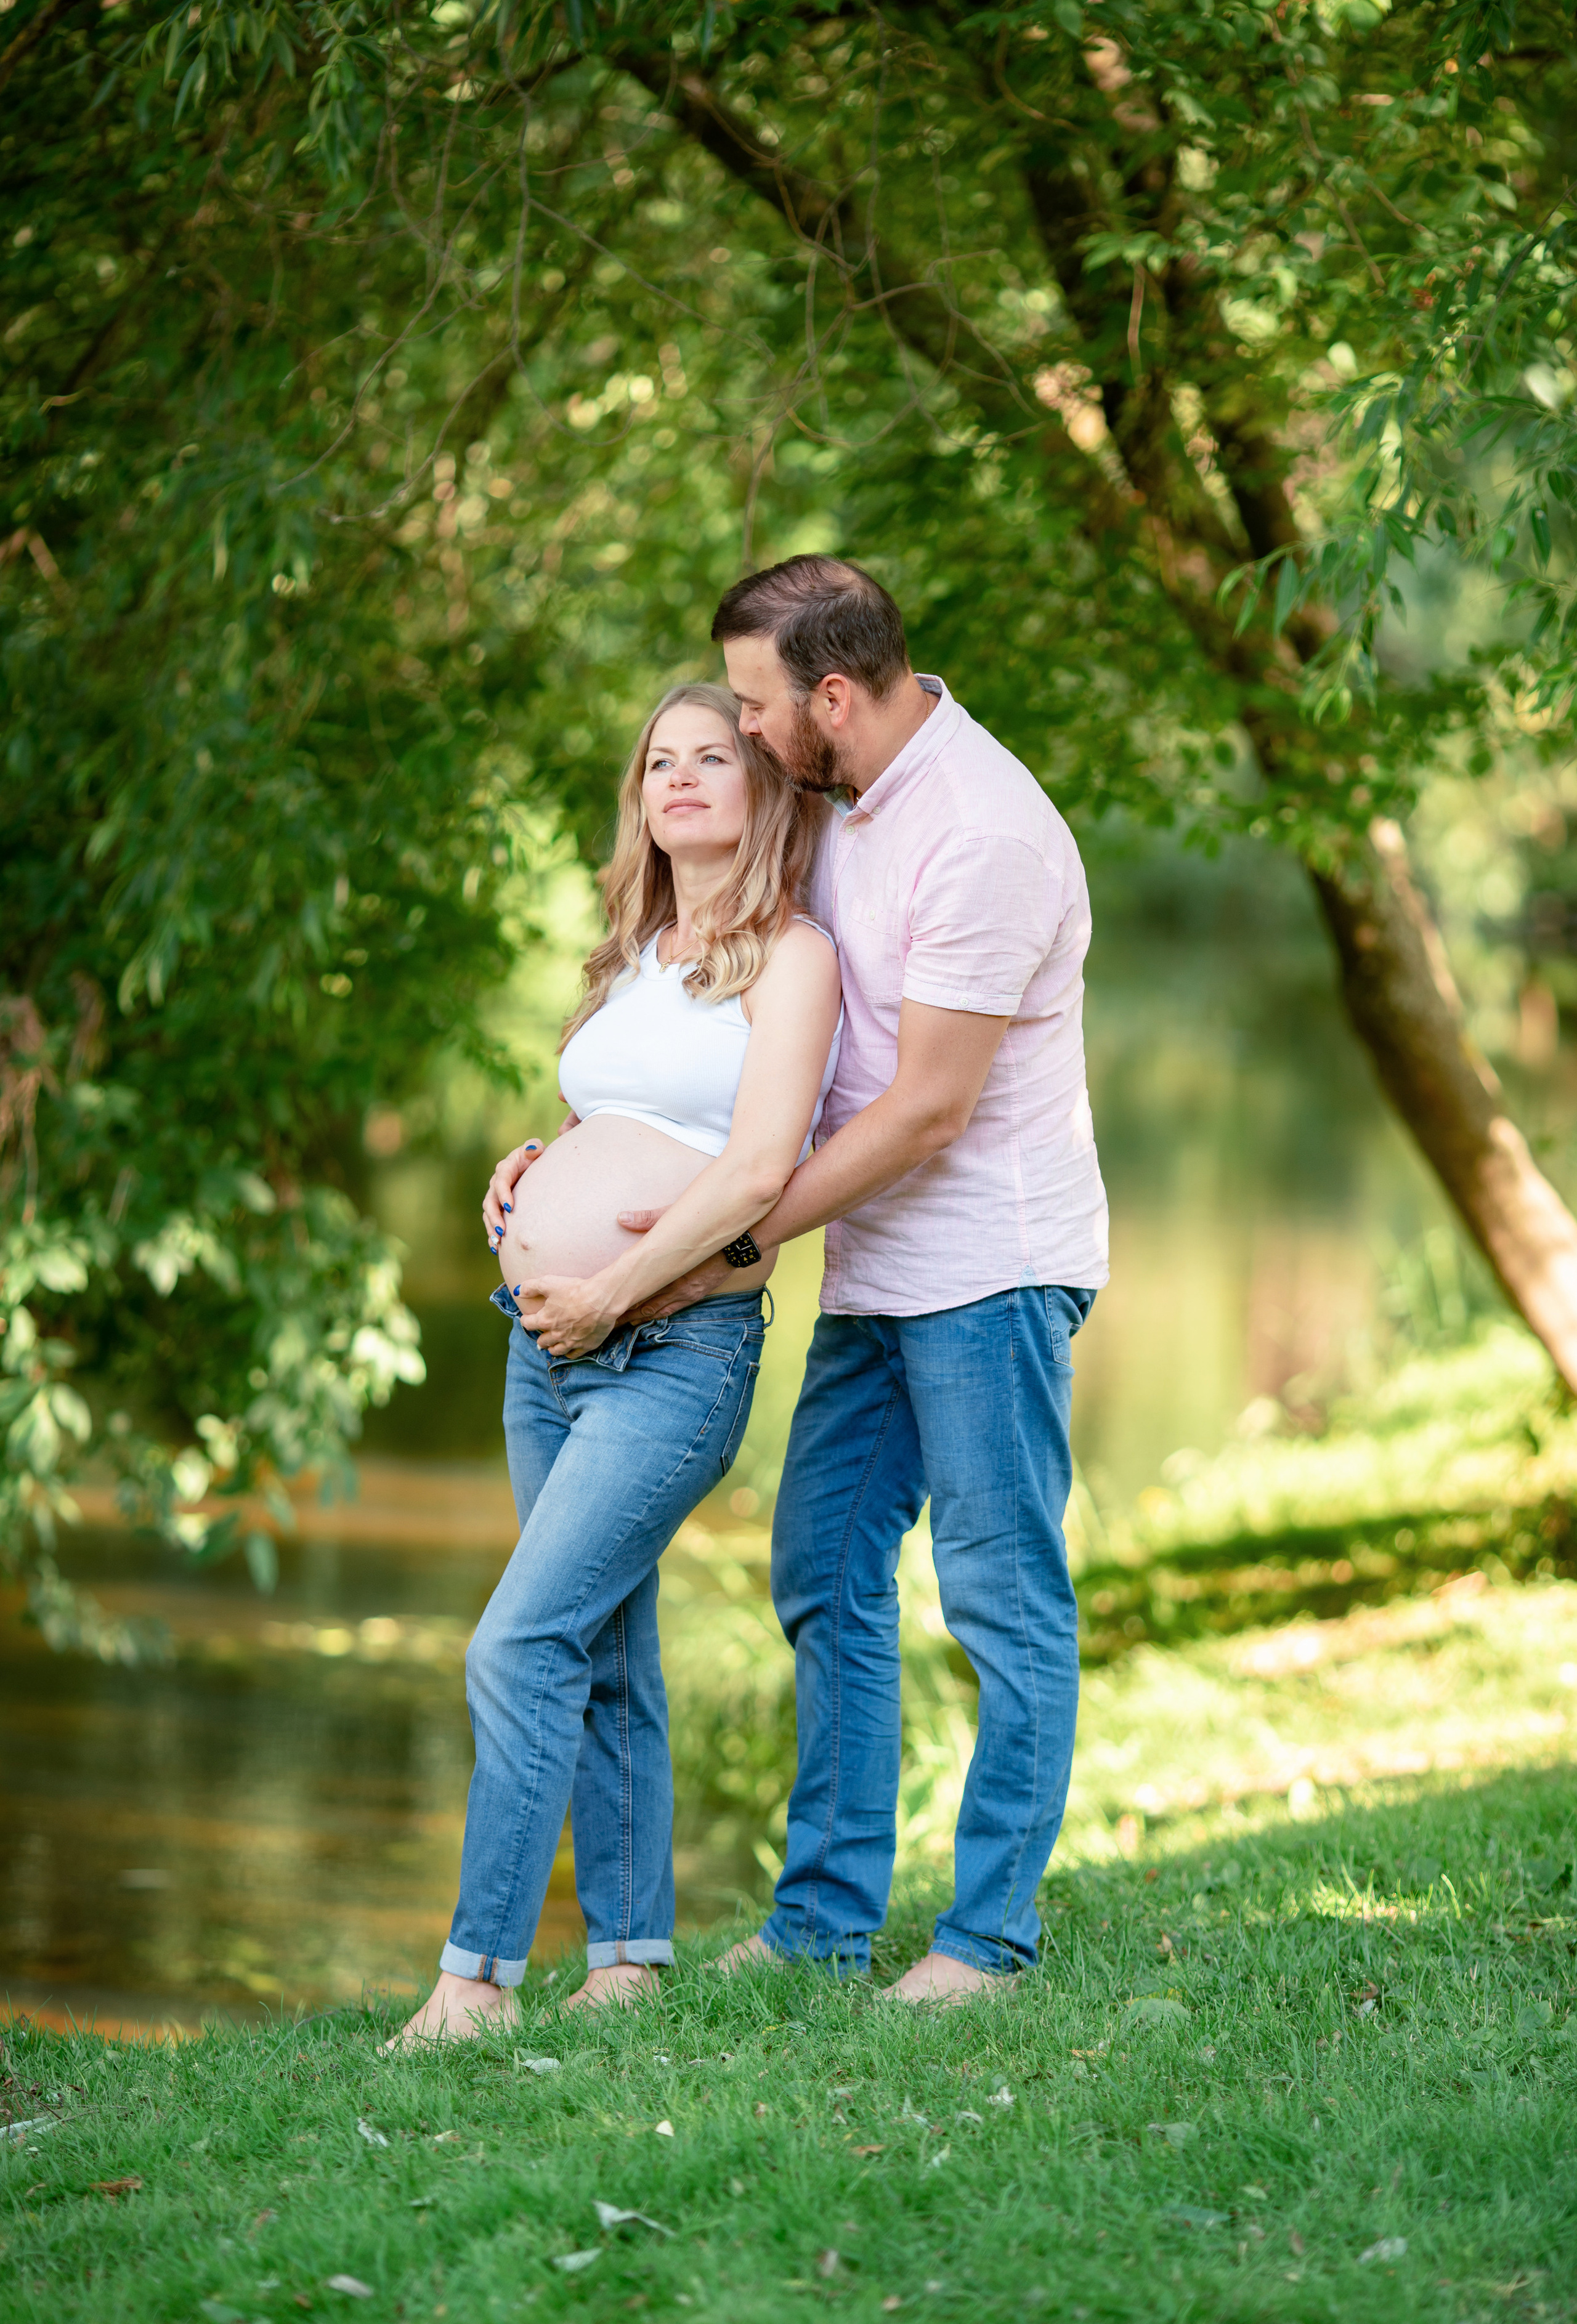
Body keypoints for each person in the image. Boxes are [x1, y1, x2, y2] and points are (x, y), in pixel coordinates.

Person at [489, 557, 1109, 2002]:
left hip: (992, 1275)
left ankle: (985, 1940)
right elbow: (723, 1031)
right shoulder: (845, 814)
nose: (748, 734)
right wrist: (572, 1164)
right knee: (825, 1575)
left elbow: (922, 1114)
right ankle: (824, 1921)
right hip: (878, 1275)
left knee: (999, 1596)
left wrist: (721, 1252)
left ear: (833, 696)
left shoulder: (982, 834)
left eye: (758, 710)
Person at [391, 682, 841, 2046]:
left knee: (517, 1642)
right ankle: (630, 1962)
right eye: (661, 761)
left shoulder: (794, 956)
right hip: (548, 1346)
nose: (684, 778)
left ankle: (475, 1983)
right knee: (601, 1640)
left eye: (716, 757)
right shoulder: (635, 948)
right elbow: (623, 1112)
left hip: (671, 1350)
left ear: (761, 792)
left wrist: (604, 1288)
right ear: (639, 798)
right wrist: (533, 1169)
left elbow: (760, 1169)